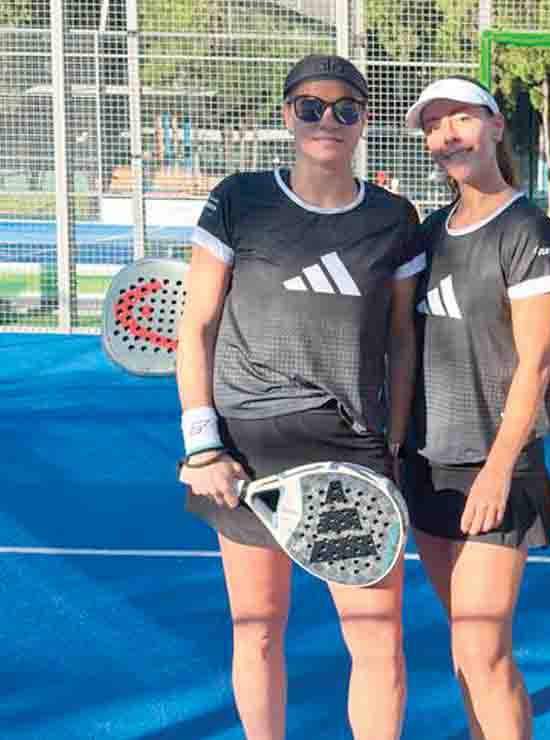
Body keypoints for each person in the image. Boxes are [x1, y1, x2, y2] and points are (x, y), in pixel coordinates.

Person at [175, 54, 422, 740]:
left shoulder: (394, 218)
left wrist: (394, 449)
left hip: (352, 449)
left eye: (345, 108)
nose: (327, 121)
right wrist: (202, 445)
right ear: (289, 115)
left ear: (364, 121)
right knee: (257, 630)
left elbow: (402, 342)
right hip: (246, 445)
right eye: (310, 107)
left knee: (377, 640)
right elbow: (194, 326)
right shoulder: (239, 200)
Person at [402, 75, 550, 740]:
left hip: (496, 467)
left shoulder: (528, 229)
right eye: (434, 125)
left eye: (461, 118)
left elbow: (539, 362)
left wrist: (499, 469)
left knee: (483, 649)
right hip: (428, 463)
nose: (447, 134)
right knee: (463, 649)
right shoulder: (429, 231)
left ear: (497, 127)